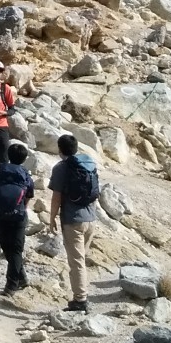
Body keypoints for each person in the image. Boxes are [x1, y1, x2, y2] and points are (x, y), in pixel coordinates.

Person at [47, 130, 101, 312]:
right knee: (81, 260)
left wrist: (52, 217)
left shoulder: (61, 168)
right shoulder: (89, 163)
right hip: (90, 219)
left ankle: (80, 300)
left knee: (76, 262)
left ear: (60, 149)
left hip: (73, 221)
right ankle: (82, 295)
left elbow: (56, 197)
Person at [0, 140, 34, 293]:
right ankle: (16, 281)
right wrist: (23, 206)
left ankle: (14, 283)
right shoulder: (25, 175)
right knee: (16, 250)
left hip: (0, 214)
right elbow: (29, 195)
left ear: (8, 156)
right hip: (19, 215)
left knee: (7, 247)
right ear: (24, 159)